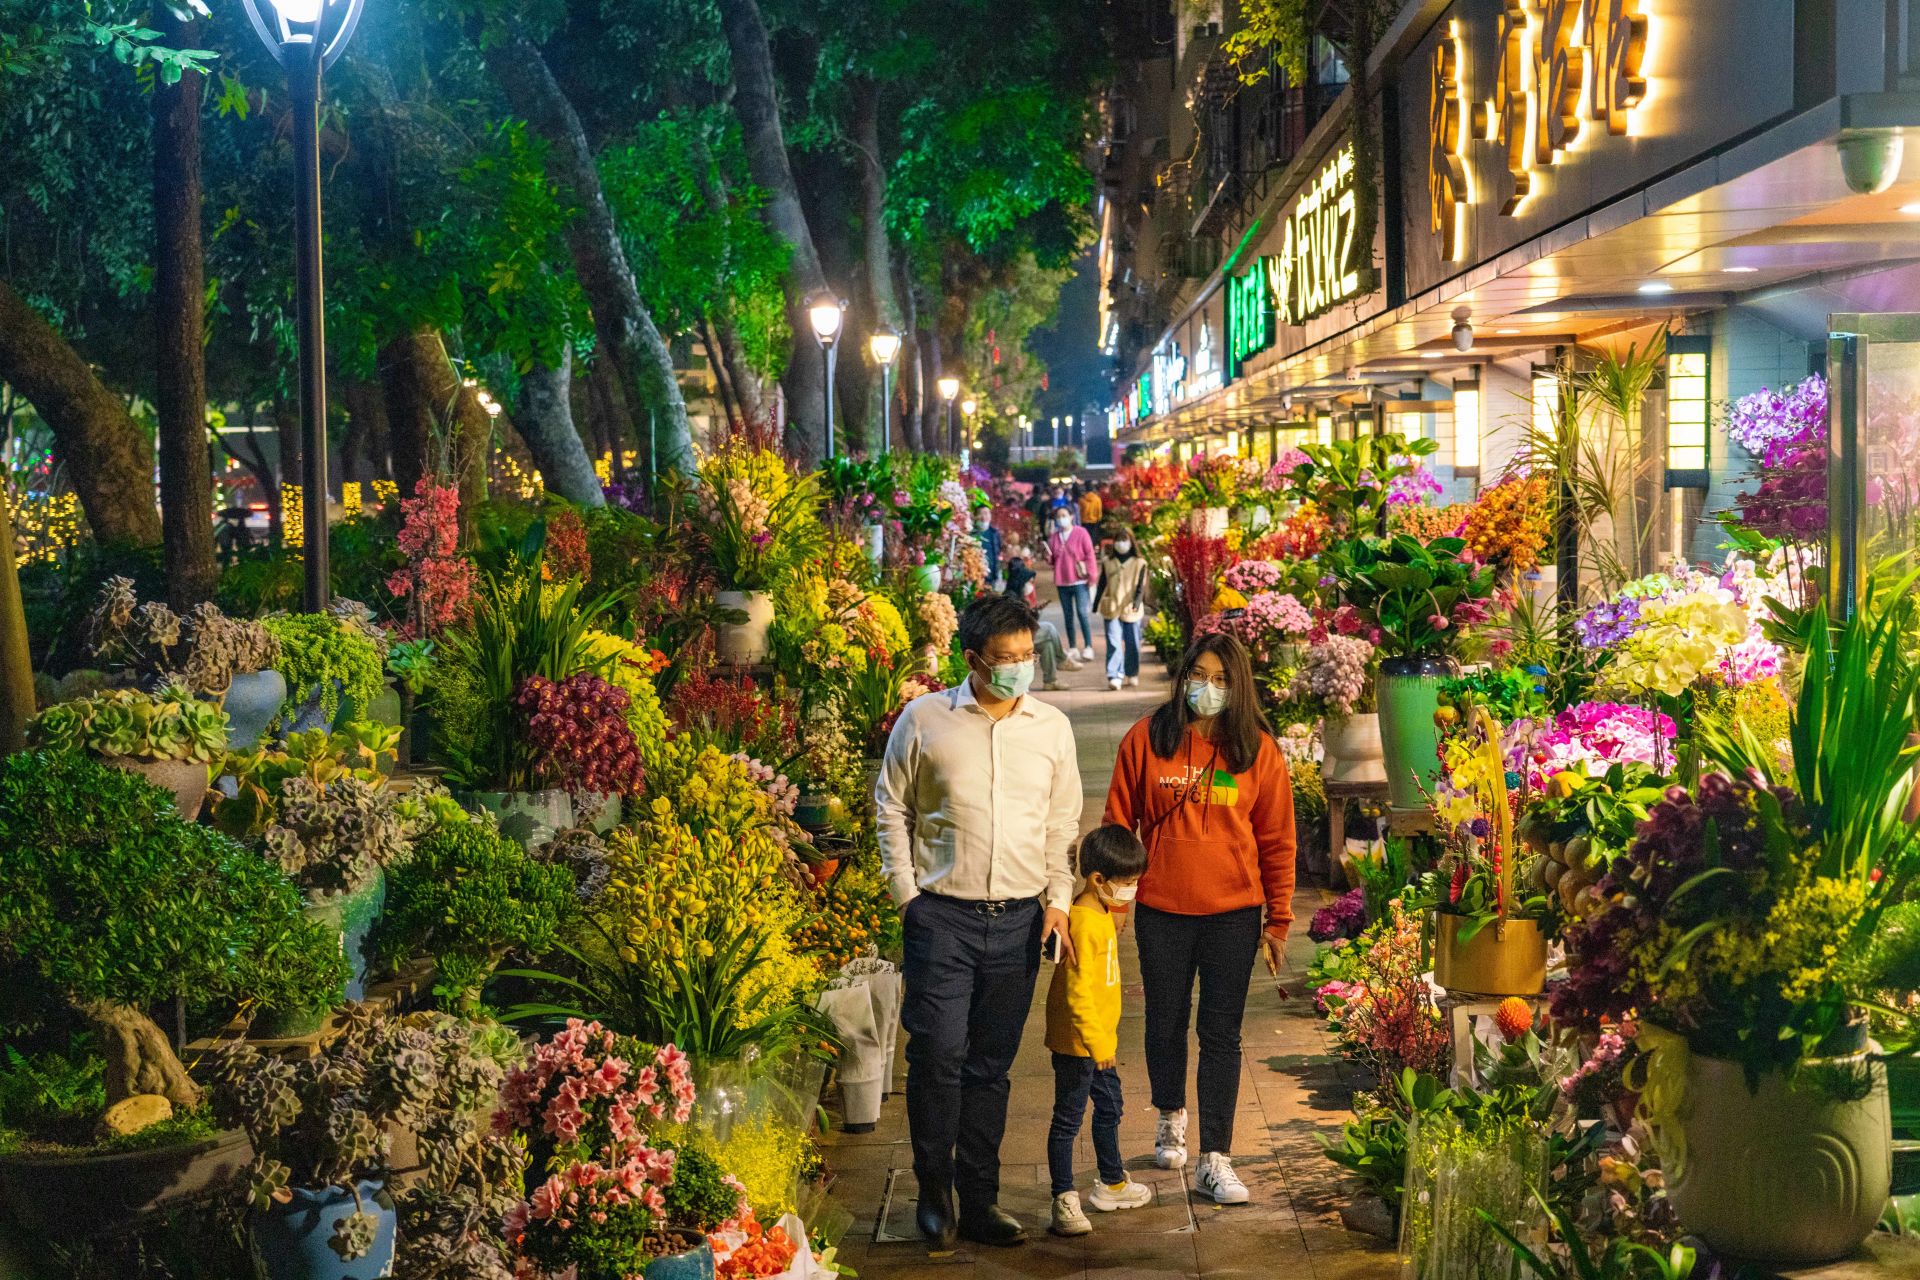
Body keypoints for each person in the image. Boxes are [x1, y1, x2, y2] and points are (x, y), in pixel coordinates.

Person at [875, 594, 1084, 1250]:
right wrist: (907, 895)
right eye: (1006, 660)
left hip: (1020, 922)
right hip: (942, 918)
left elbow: (1061, 821)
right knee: (938, 1054)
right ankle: (934, 1189)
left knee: (990, 1066)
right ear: (971, 659)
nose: (1020, 669)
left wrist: (1059, 900)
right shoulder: (924, 720)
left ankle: (981, 1196)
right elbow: (890, 807)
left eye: (1027, 656)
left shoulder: (1051, 728)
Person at [1100, 632, 1296, 1206]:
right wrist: (1112, 902)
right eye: (1199, 675)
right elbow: (1117, 823)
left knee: (1220, 1034)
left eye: (1220, 679)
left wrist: (1278, 920)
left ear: (1238, 689)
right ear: (1184, 675)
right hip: (1162, 909)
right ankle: (1169, 1114)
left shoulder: (1257, 750)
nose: (1207, 688)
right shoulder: (1147, 739)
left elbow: (1278, 840)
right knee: (1163, 1021)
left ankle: (1216, 1157)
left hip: (1234, 913)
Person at [1045, 824, 1154, 1237]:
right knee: (1068, 1120)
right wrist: (1096, 1042)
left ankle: (1112, 1181)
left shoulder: (1101, 912)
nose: (1130, 891)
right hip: (1080, 1044)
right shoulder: (1084, 922)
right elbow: (1078, 993)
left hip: (1100, 1042)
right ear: (1097, 880)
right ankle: (1064, 1197)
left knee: (1110, 1108)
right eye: (1126, 884)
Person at [1092, 527, 1148, 691]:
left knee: (1132, 643)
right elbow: (1102, 583)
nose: (1121, 543)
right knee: (1114, 642)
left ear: (1131, 542)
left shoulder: (1140, 563)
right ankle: (1114, 675)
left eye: (1124, 540)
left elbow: (1140, 586)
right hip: (1112, 606)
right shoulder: (1108, 562)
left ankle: (1132, 672)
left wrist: (1137, 603)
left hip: (1131, 608)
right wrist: (1096, 604)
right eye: (1118, 540)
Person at [1047, 507, 1098, 662]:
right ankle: (1073, 647)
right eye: (1058, 516)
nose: (1061, 518)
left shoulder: (1081, 533)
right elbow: (1053, 560)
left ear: (1071, 516)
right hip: (1062, 581)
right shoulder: (1055, 537)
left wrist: (1092, 576)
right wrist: (1047, 556)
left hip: (1079, 580)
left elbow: (1089, 555)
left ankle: (1088, 646)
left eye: (1064, 515)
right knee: (1068, 615)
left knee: (1082, 613)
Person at [971, 504, 1003, 585]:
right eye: (981, 513)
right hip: (976, 576)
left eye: (986, 513)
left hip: (992, 575)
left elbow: (998, 551)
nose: (984, 517)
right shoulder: (972, 534)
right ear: (975, 516)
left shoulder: (995, 533)